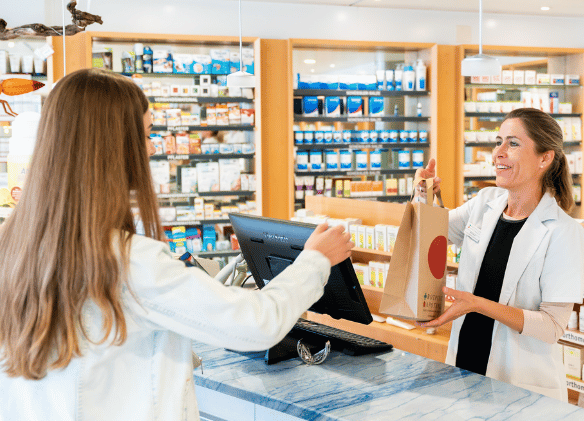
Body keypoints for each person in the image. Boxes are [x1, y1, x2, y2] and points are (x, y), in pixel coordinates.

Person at [0, 69, 354, 420]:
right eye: (147, 133)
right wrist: (315, 261)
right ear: (111, 145)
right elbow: (255, 324)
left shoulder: (14, 241)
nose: (152, 148)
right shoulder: (127, 260)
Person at [416, 108, 584, 401]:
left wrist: (477, 305)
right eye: (498, 142)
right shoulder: (484, 203)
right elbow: (433, 233)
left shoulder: (564, 232)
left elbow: (551, 327)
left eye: (513, 143)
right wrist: (424, 193)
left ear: (545, 158)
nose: (499, 153)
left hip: (520, 385)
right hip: (466, 367)